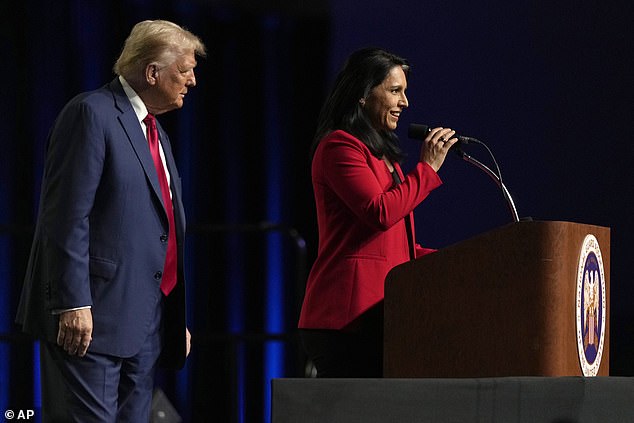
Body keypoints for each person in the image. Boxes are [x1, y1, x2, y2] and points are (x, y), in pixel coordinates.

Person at [15, 20, 206, 421]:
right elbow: (65, 216)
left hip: (145, 326)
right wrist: (73, 301)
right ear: (152, 72)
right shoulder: (92, 113)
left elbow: (159, 231)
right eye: (185, 70)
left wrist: (173, 319)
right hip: (90, 321)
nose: (192, 80)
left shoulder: (157, 133)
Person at [298, 47, 458, 377]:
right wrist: (426, 169)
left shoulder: (385, 157)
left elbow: (395, 244)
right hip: (345, 317)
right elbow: (379, 212)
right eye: (395, 91)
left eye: (405, 92)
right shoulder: (339, 147)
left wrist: (459, 260)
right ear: (362, 94)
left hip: (383, 315)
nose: (405, 103)